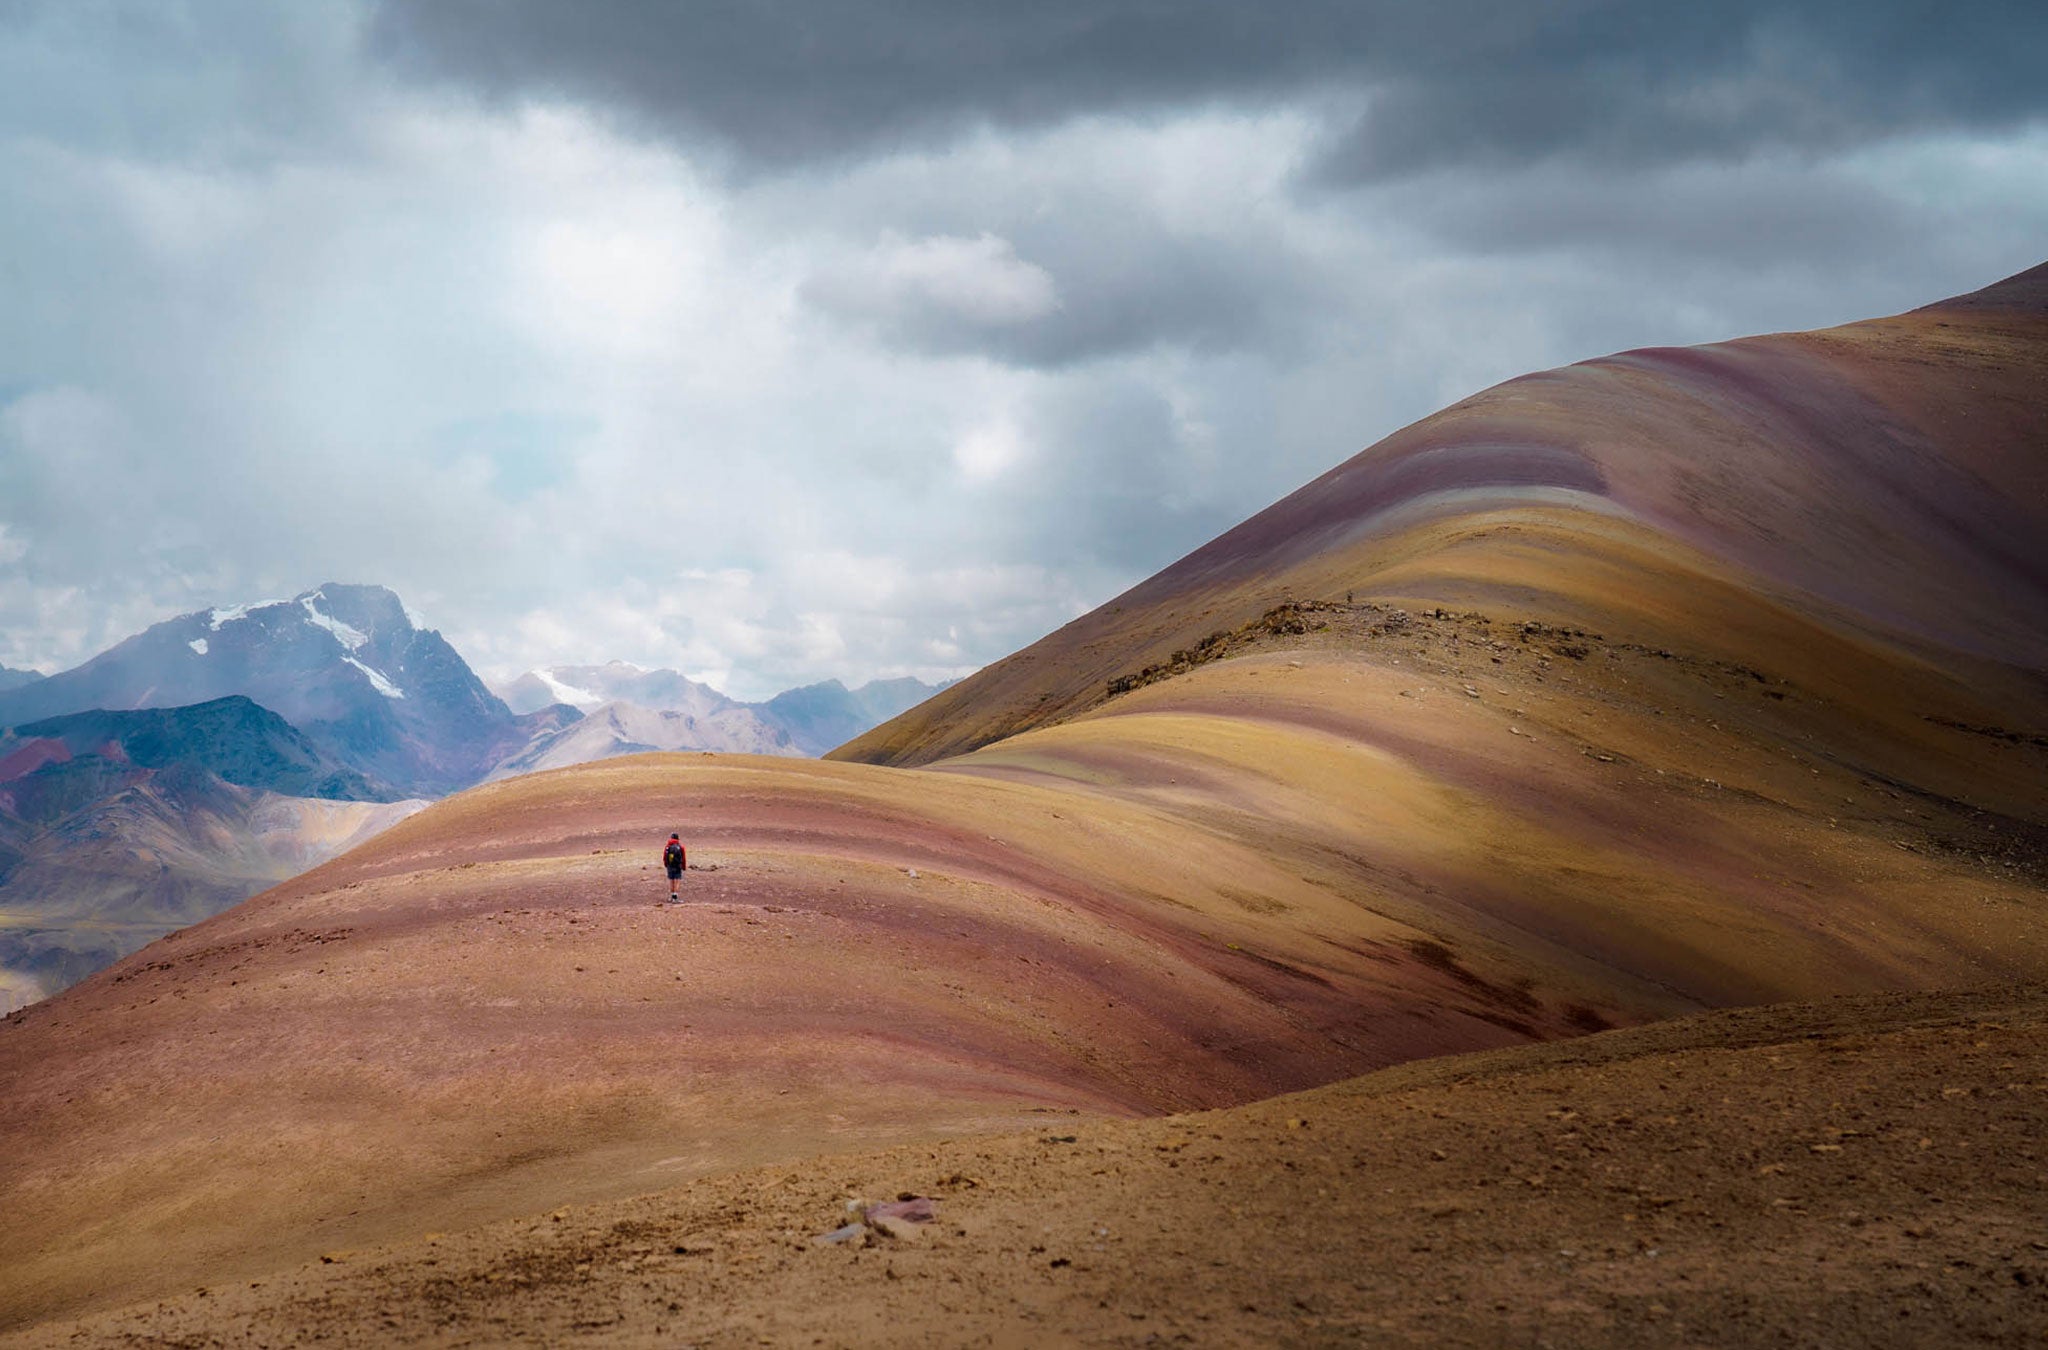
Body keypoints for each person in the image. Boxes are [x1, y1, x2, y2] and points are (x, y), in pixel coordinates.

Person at [662, 832, 686, 902]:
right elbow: (683, 858)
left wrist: (666, 865)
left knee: (671, 881)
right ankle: (675, 898)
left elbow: (664, 857)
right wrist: (683, 866)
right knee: (677, 881)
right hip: (678, 866)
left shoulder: (667, 846)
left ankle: (672, 897)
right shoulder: (681, 847)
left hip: (670, 866)